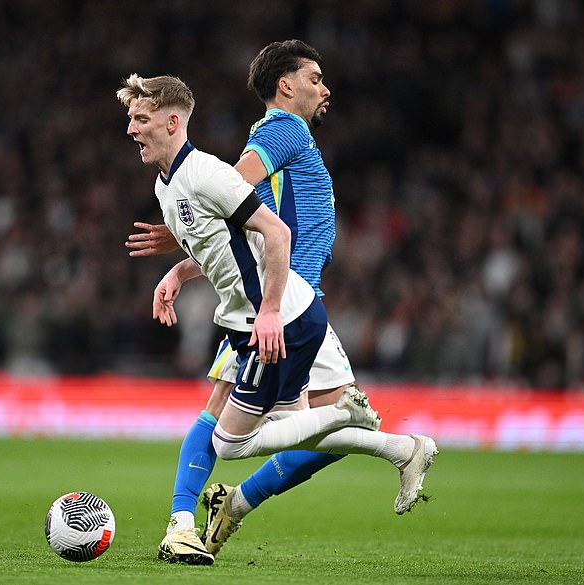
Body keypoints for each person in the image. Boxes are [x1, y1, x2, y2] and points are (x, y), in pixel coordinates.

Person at [121, 45, 437, 564]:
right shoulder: (282, 130)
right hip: (277, 301)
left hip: (286, 299)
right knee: (237, 420)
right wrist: (185, 232)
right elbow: (234, 194)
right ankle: (186, 521)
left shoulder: (284, 139)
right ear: (286, 86)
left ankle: (233, 505)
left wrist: (183, 247)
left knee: (323, 427)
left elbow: (232, 225)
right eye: (315, 77)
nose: (325, 88)